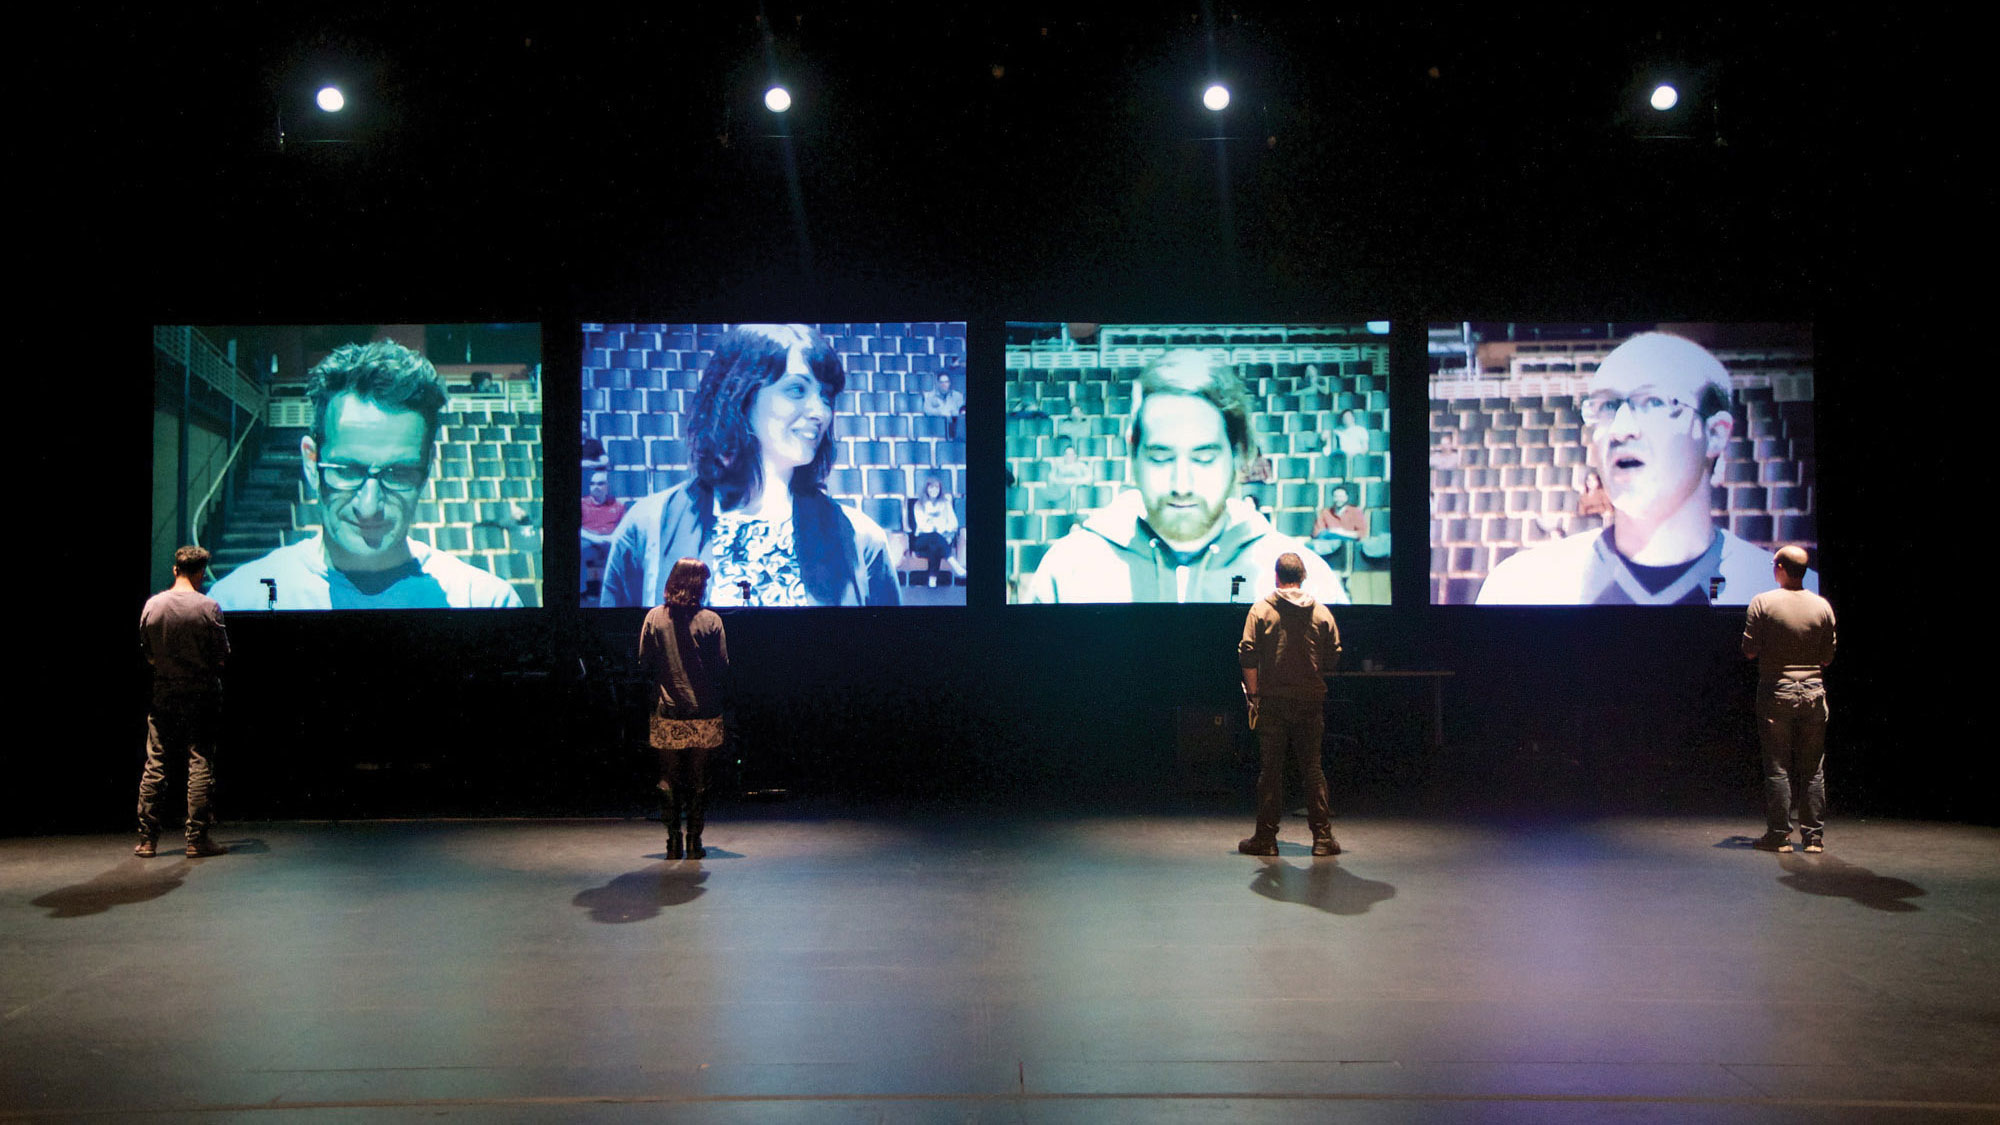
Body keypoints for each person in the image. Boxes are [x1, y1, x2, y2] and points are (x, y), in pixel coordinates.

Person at [1476, 332, 1816, 604]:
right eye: (1606, 406)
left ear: (1714, 434)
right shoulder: (1519, 588)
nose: (1621, 429)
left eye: (1653, 402)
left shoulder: (1794, 597)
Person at [600, 324, 898, 608]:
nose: (820, 412)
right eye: (797, 389)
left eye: (826, 396)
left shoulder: (862, 539)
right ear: (741, 395)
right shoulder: (646, 527)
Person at [210, 341, 523, 610]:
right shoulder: (236, 602)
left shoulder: (485, 601)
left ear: (427, 470)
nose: (369, 507)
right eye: (346, 470)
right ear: (310, 463)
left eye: (398, 473)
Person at [1026, 350, 1347, 604]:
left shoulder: (1307, 581)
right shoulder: (1065, 570)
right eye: (1160, 457)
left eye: (1204, 458)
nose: (1181, 485)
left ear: (1240, 454)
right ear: (1132, 455)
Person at [1237, 552, 1343, 858]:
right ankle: (1322, 839)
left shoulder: (1261, 611)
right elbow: (1334, 656)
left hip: (1272, 701)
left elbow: (1247, 654)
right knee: (1312, 769)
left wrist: (1254, 695)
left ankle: (1266, 839)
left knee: (1270, 770)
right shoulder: (1322, 613)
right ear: (1304, 576)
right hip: (1310, 700)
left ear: (1276, 576)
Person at [136, 546, 230, 859]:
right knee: (199, 761)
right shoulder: (209, 607)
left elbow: (147, 652)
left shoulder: (153, 605)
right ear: (201, 572)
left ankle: (148, 840)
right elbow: (221, 656)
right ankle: (196, 839)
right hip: (201, 693)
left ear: (176, 570)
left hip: (164, 691)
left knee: (156, 763)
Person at [1742, 545, 1836, 854]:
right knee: (1812, 769)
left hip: (1776, 691)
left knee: (1778, 767)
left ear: (1780, 568)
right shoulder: (1822, 606)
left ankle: (1779, 836)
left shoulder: (1763, 602)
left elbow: (1749, 650)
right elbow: (1827, 658)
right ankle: (1813, 838)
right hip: (1813, 692)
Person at [638, 558, 731, 860]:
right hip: (705, 712)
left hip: (667, 711)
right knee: (699, 779)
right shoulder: (711, 621)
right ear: (698, 585)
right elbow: (722, 666)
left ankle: (671, 842)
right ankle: (694, 842)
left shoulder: (654, 617)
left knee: (668, 778)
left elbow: (644, 662)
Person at [909, 476, 965, 587]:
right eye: (931, 488)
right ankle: (952, 561)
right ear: (926, 489)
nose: (934, 490)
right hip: (921, 540)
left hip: (939, 541)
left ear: (940, 490)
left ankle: (932, 580)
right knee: (934, 536)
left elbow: (954, 523)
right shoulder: (919, 505)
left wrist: (942, 528)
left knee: (934, 546)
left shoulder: (945, 503)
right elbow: (922, 526)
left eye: (936, 488)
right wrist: (938, 527)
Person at [580, 470, 627, 598]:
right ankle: (582, 592)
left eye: (600, 483)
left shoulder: (618, 506)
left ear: (607, 486)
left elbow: (623, 528)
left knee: (625, 551)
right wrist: (595, 538)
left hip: (609, 541)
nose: (595, 487)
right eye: (592, 484)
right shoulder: (581, 504)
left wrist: (611, 538)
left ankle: (620, 592)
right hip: (588, 541)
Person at [1044, 440, 1094, 513]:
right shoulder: (1059, 466)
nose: (1069, 456)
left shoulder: (1081, 466)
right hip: (1061, 497)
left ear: (1075, 456)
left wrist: (1075, 481)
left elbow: (1089, 477)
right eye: (1067, 454)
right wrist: (1063, 481)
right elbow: (1051, 478)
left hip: (1079, 497)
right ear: (1064, 456)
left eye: (1071, 454)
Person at [1311, 486, 1366, 551]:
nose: (1338, 499)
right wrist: (1332, 531)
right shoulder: (1326, 512)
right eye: (1336, 496)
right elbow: (1317, 533)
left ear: (1346, 498)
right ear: (1333, 498)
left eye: (1341, 496)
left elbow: (1361, 533)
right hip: (1329, 543)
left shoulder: (1356, 512)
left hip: (1349, 543)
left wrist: (1342, 532)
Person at [923, 370, 966, 439]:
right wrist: (940, 412)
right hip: (937, 428)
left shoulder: (957, 396)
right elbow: (927, 410)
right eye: (941, 382)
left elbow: (961, 412)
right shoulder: (930, 396)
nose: (944, 385)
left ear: (950, 383)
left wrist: (951, 413)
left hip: (954, 427)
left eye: (946, 382)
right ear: (937, 383)